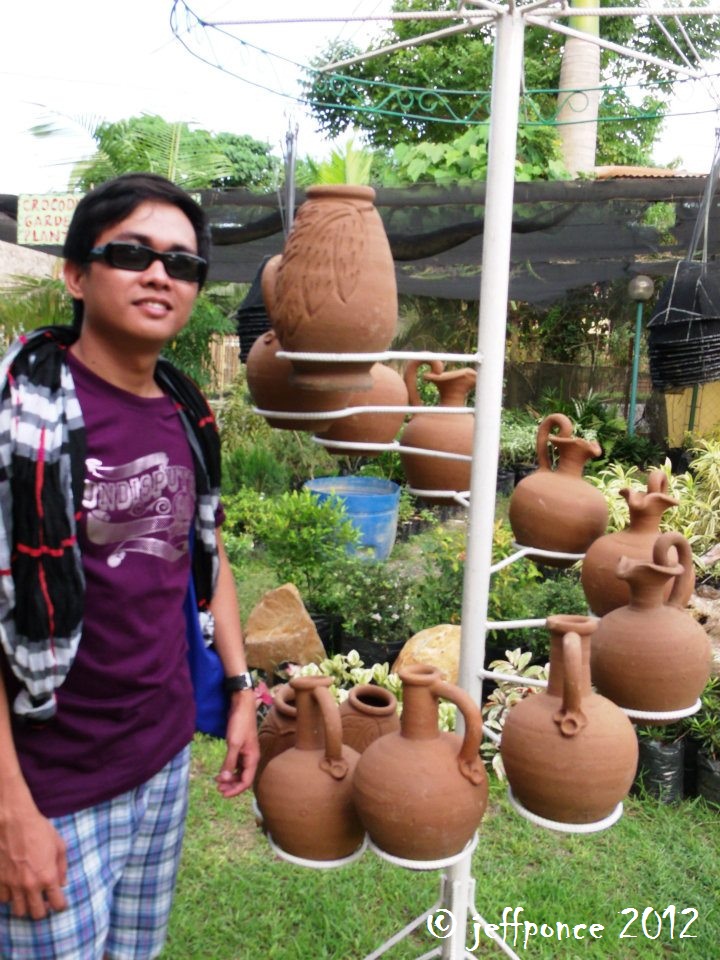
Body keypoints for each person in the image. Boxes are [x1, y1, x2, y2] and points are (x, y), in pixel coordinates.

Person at [0, 172, 259, 959]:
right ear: (76, 274)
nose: (159, 274)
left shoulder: (186, 412)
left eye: (182, 263)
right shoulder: (22, 423)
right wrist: (11, 811)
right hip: (49, 788)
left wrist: (241, 688)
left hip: (159, 762)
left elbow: (204, 557)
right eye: (131, 254)